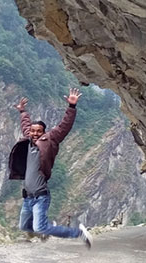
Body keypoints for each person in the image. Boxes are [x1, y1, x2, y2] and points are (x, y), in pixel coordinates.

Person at [8, 88, 93, 249]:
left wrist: (72, 107)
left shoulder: (50, 140)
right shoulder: (28, 139)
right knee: (24, 227)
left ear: (44, 132)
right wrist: (22, 112)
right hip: (28, 197)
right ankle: (45, 230)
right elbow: (25, 125)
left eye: (38, 131)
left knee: (39, 227)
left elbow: (64, 126)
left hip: (41, 196)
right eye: (32, 131)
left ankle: (79, 233)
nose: (34, 133)